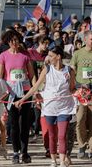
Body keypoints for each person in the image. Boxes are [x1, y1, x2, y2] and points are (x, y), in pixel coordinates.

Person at [15, 46, 76, 167]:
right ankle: (53, 160)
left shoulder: (69, 70)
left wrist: (82, 94)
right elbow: (35, 87)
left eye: (51, 56)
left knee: (62, 135)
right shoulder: (47, 69)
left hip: (65, 107)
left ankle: (63, 161)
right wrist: (22, 99)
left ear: (58, 57)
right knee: (52, 136)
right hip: (49, 108)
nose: (48, 58)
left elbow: (72, 89)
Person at [0, 30, 35, 164]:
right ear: (8, 41)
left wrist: (35, 90)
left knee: (24, 123)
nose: (14, 43)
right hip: (10, 93)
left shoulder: (25, 55)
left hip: (25, 92)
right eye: (12, 40)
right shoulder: (3, 56)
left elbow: (31, 75)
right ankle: (15, 152)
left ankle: (24, 152)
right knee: (13, 124)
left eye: (17, 40)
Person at [70, 30, 92, 160]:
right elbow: (73, 71)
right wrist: (72, 88)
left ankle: (91, 147)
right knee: (80, 120)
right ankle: (82, 144)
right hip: (81, 91)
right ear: (85, 40)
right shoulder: (78, 53)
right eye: (91, 39)